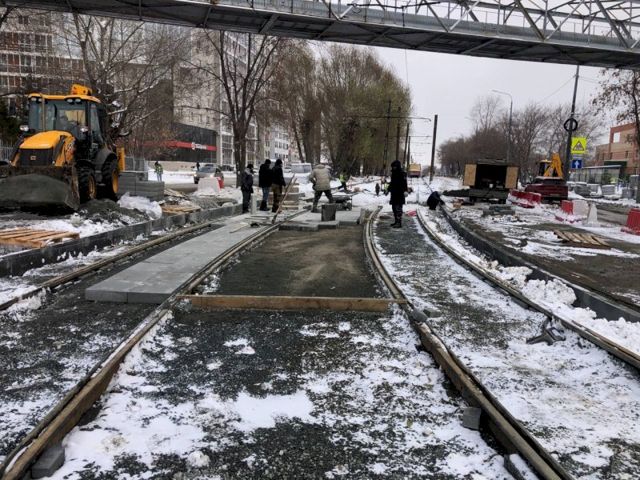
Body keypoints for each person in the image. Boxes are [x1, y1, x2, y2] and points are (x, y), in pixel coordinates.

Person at [387, 160, 408, 228]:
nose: (393, 168)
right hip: (394, 193)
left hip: (400, 193)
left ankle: (399, 223)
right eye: (393, 166)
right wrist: (388, 189)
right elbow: (392, 183)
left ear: (397, 166)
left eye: (394, 166)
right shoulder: (393, 173)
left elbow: (405, 183)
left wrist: (405, 190)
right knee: (394, 208)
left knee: (398, 208)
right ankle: (396, 221)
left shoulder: (402, 173)